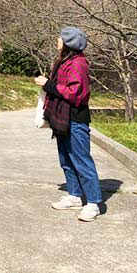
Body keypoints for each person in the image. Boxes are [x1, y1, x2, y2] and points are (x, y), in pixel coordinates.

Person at [34, 26, 102, 222]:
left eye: (61, 38)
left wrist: (48, 84)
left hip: (75, 119)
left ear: (68, 43)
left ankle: (93, 203)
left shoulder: (78, 64)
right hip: (61, 118)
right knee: (66, 159)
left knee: (81, 161)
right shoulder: (64, 61)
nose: (57, 41)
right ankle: (74, 195)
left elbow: (75, 93)